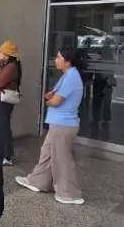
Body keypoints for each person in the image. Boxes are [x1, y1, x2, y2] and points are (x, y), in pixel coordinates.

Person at [16, 47, 87, 205]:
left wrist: (48, 100)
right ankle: (37, 181)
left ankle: (70, 194)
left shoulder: (71, 77)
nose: (55, 60)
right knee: (46, 154)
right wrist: (51, 97)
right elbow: (57, 96)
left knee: (61, 159)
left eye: (58, 57)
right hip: (58, 123)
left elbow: (55, 101)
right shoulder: (68, 75)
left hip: (63, 125)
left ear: (67, 61)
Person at [0, 41, 21, 166]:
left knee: (2, 127)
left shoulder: (11, 66)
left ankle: (6, 155)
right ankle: (0, 153)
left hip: (3, 99)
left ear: (7, 54)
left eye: (1, 51)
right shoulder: (2, 64)